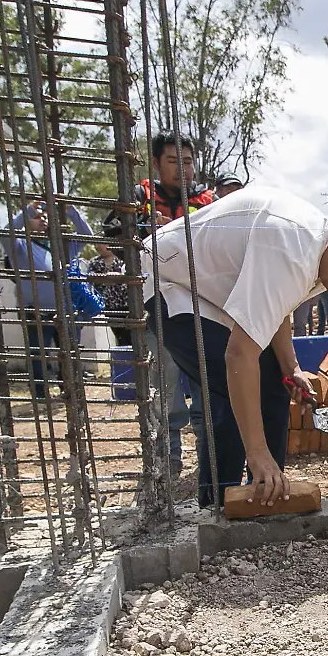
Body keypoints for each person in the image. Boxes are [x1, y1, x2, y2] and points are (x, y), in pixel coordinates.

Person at [144, 186, 328, 507]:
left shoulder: (323, 255)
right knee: (227, 381)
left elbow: (277, 307)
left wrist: (291, 369)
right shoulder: (293, 249)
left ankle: (266, 495)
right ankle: (220, 504)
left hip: (213, 291)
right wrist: (257, 452)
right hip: (168, 280)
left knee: (275, 380)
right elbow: (238, 355)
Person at [110, 132, 216, 472]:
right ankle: (169, 454)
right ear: (156, 163)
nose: (182, 169)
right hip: (157, 307)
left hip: (201, 304)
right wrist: (143, 229)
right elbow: (111, 234)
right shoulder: (140, 197)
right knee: (164, 382)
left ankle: (209, 451)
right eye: (173, 161)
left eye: (187, 162)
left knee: (206, 381)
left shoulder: (207, 200)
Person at [5, 201, 93, 399]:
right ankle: (40, 393)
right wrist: (27, 209)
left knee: (69, 352)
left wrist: (70, 211)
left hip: (65, 308)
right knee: (39, 353)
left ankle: (69, 389)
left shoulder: (61, 245)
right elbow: (6, 231)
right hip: (35, 309)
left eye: (44, 216)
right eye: (36, 217)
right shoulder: (19, 247)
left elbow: (87, 235)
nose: (42, 219)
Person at [89, 223, 132, 346]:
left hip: (127, 304)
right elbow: (93, 280)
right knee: (119, 337)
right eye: (96, 243)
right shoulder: (95, 263)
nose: (98, 246)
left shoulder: (123, 258)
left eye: (100, 243)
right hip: (110, 306)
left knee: (131, 334)